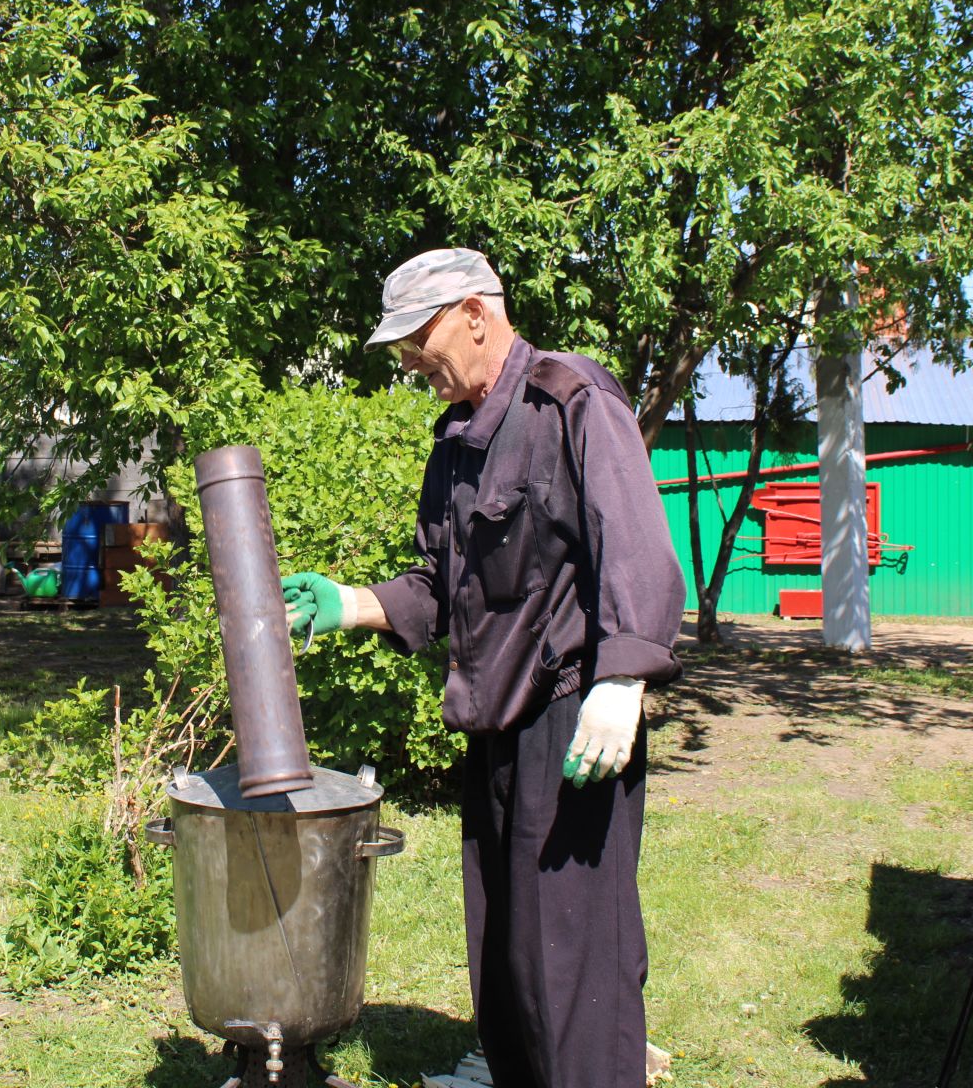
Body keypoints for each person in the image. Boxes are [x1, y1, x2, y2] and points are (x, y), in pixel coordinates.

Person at [282, 248, 684, 1088]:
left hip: (574, 727)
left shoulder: (572, 398)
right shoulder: (458, 444)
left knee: (577, 965)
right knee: (506, 956)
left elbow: (636, 542)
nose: (407, 361)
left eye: (416, 338)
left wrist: (624, 677)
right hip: (496, 730)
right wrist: (351, 601)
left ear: (474, 312)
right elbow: (444, 585)